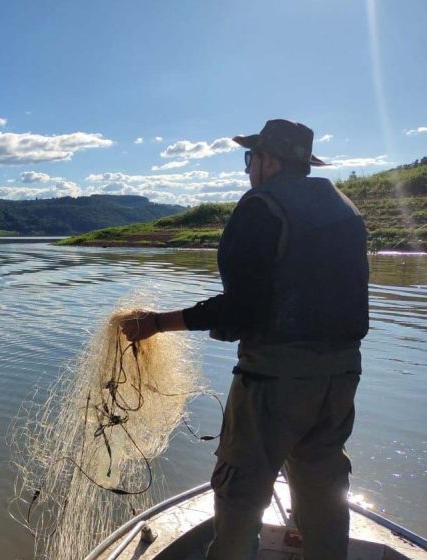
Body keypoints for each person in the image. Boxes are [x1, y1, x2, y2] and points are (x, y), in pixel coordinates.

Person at [117, 119, 369, 560]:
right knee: (324, 492)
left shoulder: (262, 208)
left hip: (275, 382)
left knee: (240, 497)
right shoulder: (342, 208)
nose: (249, 167)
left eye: (251, 158)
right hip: (341, 376)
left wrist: (156, 324)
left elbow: (240, 311)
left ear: (269, 161)